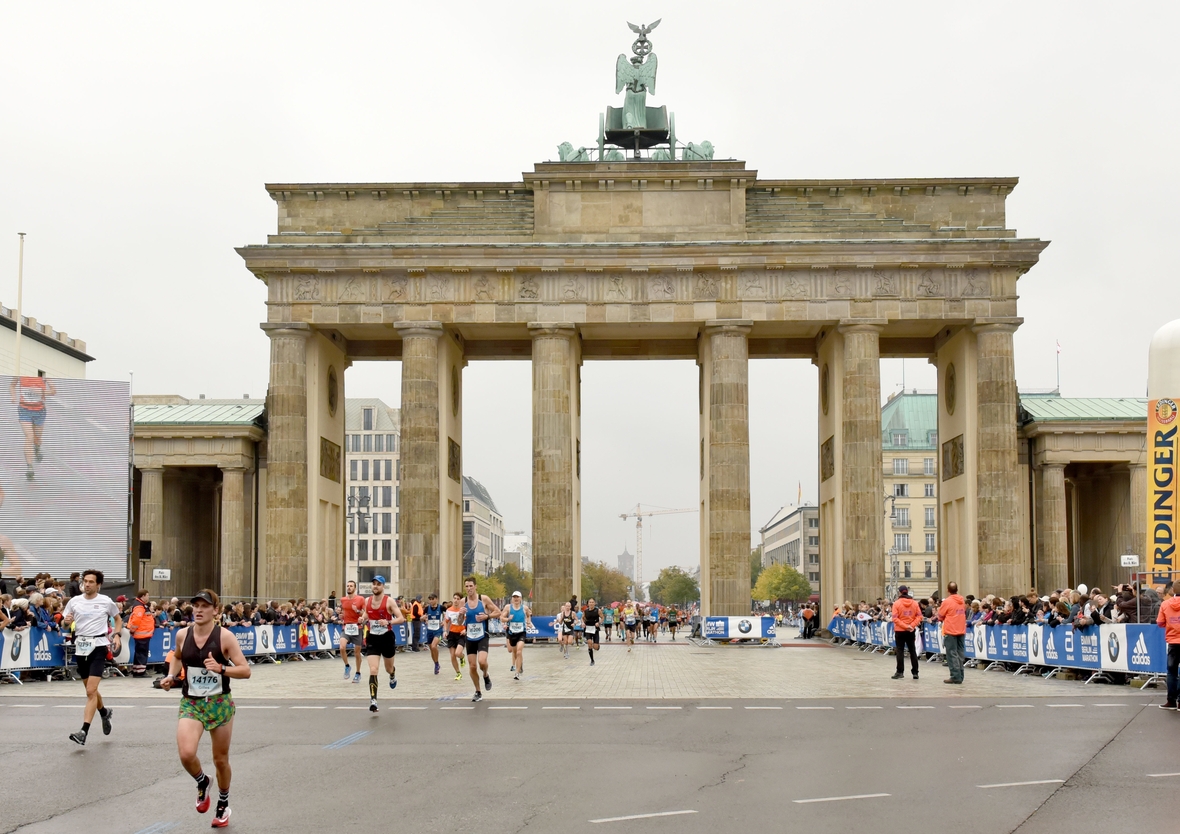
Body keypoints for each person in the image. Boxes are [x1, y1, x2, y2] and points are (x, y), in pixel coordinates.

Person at [160, 589, 250, 828]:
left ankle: (223, 802)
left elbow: (245, 670)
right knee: (186, 753)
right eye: (196, 606)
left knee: (220, 760)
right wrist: (171, 676)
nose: (198, 610)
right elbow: (178, 657)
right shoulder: (182, 634)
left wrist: (221, 669)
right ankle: (202, 781)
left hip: (219, 703)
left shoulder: (225, 637)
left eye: (204, 606)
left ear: (215, 611)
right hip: (192, 703)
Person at [61, 569, 122, 746]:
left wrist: (117, 635)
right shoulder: (74, 601)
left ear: (98, 585)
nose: (87, 584)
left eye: (90, 582)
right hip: (81, 647)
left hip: (98, 647)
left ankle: (83, 731)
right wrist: (66, 621)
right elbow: (64, 623)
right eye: (85, 581)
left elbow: (118, 619)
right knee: (91, 690)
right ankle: (104, 712)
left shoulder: (105, 601)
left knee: (90, 691)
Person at [359, 576, 406, 713]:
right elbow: (367, 614)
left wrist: (388, 622)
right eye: (373, 584)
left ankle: (392, 674)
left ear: (383, 586)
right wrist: (362, 619)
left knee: (388, 668)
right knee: (373, 669)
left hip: (387, 637)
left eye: (378, 584)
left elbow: (401, 618)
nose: (375, 586)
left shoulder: (389, 601)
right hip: (373, 637)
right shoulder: (367, 601)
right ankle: (373, 700)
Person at [460, 576, 501, 701]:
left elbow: (498, 612)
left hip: (482, 635)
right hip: (470, 637)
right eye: (466, 586)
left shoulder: (483, 599)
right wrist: (461, 614)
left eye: (471, 586)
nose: (469, 589)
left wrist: (486, 616)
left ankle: (485, 675)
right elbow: (459, 621)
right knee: (472, 666)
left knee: (482, 662)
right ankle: (478, 691)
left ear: (475, 586)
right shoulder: (463, 601)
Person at [10, 373, 56, 481]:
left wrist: (42, 392)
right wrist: (13, 396)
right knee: (29, 437)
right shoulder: (20, 374)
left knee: (37, 438)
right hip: (24, 411)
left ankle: (37, 448)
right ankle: (29, 467)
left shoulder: (44, 376)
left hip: (39, 411)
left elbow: (54, 391)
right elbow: (12, 385)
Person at [936, 581, 967, 684]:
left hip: (951, 630)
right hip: (961, 629)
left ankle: (955, 676)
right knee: (960, 653)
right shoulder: (962, 600)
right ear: (957, 590)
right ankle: (960, 675)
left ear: (948, 590)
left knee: (951, 654)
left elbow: (940, 616)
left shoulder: (947, 601)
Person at [890, 586, 922, 680]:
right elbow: (919, 616)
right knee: (912, 651)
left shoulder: (896, 603)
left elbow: (895, 618)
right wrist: (911, 625)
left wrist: (905, 626)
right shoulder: (915, 603)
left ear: (900, 593)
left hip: (900, 630)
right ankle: (915, 672)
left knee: (900, 650)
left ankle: (900, 672)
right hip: (911, 630)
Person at [1157, 580, 1180, 710]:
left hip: (1173, 641)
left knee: (1172, 671)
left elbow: (1160, 622)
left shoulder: (1166, 604)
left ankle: (1171, 700)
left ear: (1173, 590)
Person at [501, 590, 532, 680]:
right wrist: (507, 620)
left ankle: (517, 673)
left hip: (521, 632)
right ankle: (520, 664)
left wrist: (528, 622)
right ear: (512, 599)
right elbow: (502, 618)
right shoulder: (508, 607)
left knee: (519, 651)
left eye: (517, 597)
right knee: (514, 652)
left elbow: (529, 614)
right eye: (514, 597)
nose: (516, 599)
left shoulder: (524, 608)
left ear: (521, 598)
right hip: (512, 633)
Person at [337, 580, 365, 683]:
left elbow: (364, 613)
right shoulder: (343, 599)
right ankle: (347, 666)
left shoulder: (360, 599)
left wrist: (357, 610)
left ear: (355, 588)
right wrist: (342, 616)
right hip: (347, 627)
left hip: (357, 628)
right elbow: (345, 611)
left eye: (351, 586)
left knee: (357, 653)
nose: (349, 587)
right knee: (342, 647)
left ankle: (358, 673)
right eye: (347, 586)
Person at [127, 589, 155, 677]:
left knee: (139, 652)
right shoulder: (139, 606)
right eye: (147, 595)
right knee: (142, 653)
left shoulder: (141, 605)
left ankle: (136, 670)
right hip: (142, 634)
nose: (148, 597)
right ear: (143, 596)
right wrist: (132, 630)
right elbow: (136, 621)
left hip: (142, 634)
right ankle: (140, 672)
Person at [423, 593, 445, 674]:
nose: (431, 601)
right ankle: (436, 664)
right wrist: (424, 619)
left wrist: (444, 621)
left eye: (432, 599)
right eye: (430, 599)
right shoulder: (426, 608)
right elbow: (423, 617)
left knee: (433, 646)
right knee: (431, 649)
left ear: (436, 599)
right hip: (429, 630)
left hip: (438, 630)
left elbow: (447, 616)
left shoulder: (441, 608)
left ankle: (436, 664)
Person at [583, 598, 602, 666]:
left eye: (592, 602)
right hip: (588, 629)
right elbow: (582, 618)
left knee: (595, 647)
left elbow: (602, 618)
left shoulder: (598, 610)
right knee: (589, 643)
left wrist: (599, 623)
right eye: (590, 602)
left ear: (594, 603)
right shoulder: (585, 611)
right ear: (588, 604)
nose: (591, 603)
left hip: (595, 629)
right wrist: (583, 623)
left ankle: (597, 645)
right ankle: (592, 660)